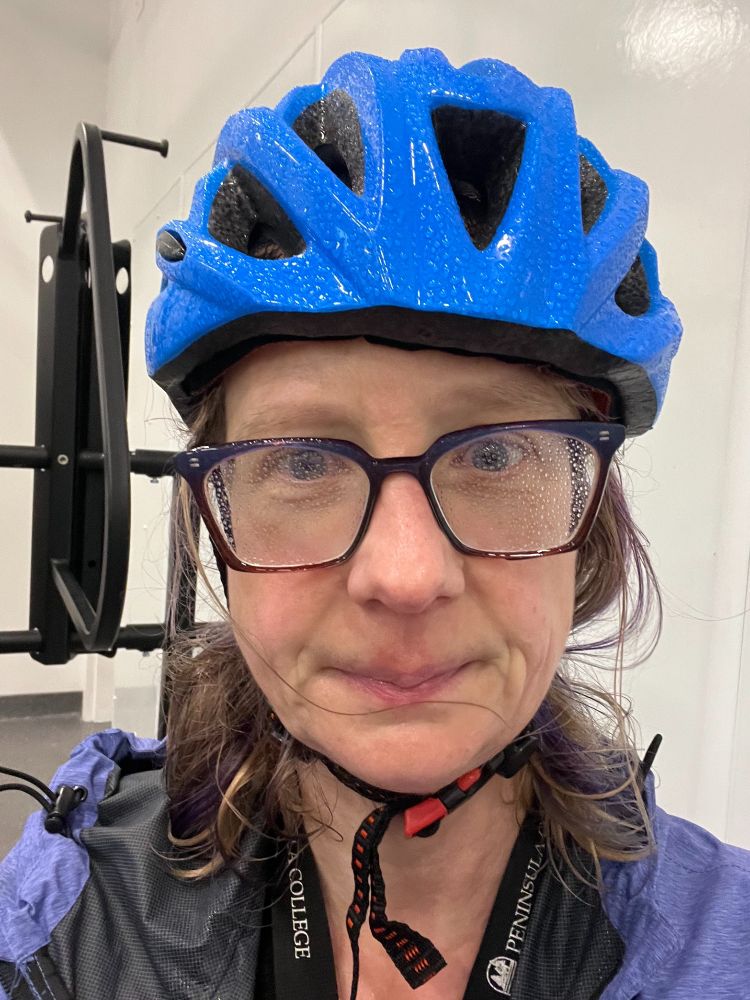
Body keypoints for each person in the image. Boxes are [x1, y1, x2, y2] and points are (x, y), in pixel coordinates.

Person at [1, 46, 749, 1000]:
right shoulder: (75, 925)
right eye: (303, 460)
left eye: (493, 454)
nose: (404, 574)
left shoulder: (722, 937)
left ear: (594, 521)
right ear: (214, 520)